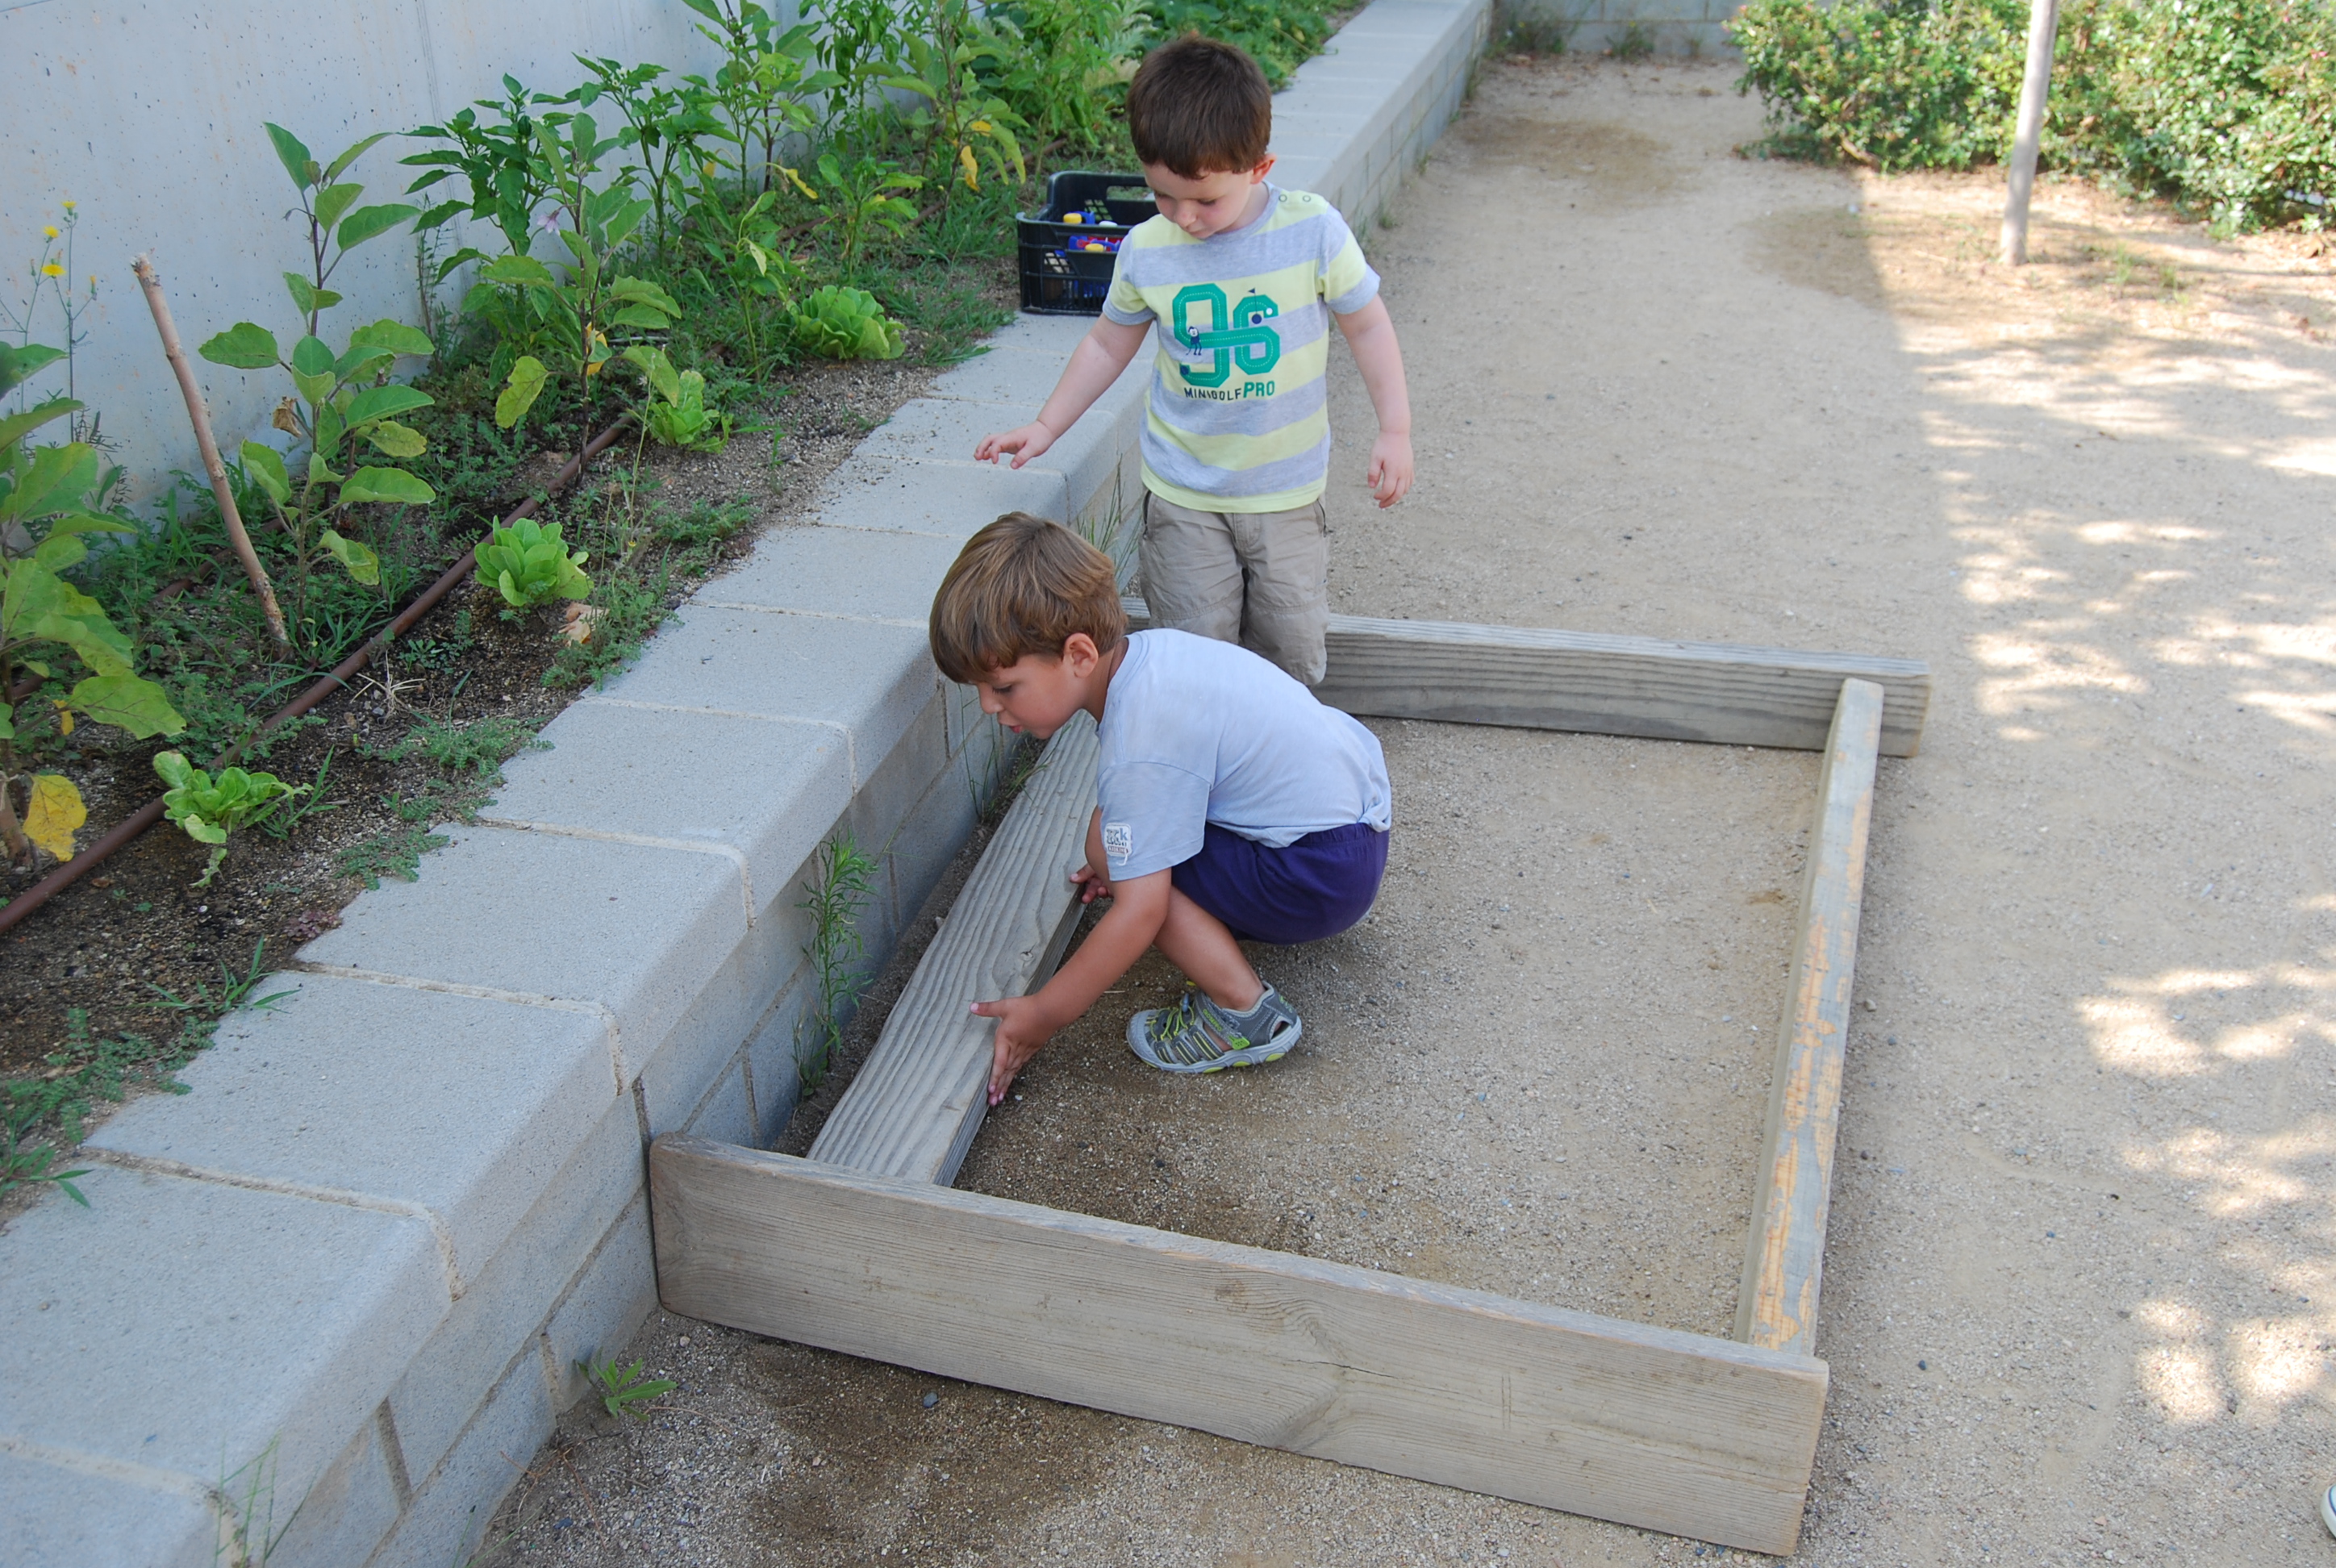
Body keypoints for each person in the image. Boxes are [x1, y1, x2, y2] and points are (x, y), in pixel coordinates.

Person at [973, 33, 1416, 688]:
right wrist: (1047, 426)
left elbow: (1369, 324)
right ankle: (1203, 741)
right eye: (1162, 195)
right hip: (1184, 494)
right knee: (1193, 650)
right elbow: (1107, 344)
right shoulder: (1148, 250)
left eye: (1206, 199)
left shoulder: (1311, 231)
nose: (1184, 216)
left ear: (1259, 168)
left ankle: (1274, 742)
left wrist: (1395, 428)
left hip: (1285, 494)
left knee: (1290, 648)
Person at [929, 512, 1393, 1105]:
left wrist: (1044, 1013)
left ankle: (1244, 1011)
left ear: (1078, 654)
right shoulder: (1153, 657)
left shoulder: (1140, 739)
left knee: (1110, 847)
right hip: (1351, 832)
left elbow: (1141, 913)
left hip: (1318, 875)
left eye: (1004, 687)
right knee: (1115, 840)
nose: (989, 707)